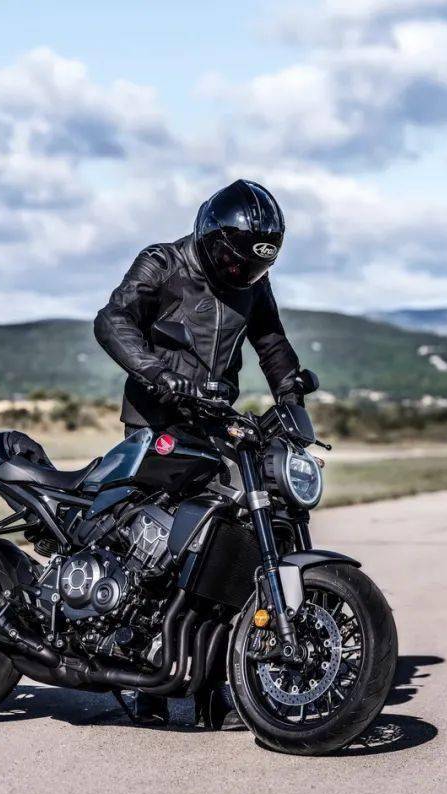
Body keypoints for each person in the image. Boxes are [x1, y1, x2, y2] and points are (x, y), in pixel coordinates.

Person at [93, 179, 305, 726]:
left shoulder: (253, 283)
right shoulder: (162, 263)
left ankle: (215, 685)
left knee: (227, 547)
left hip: (213, 424)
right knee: (151, 551)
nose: (242, 274)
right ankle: (145, 683)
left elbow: (272, 342)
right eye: (235, 263)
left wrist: (291, 395)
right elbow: (113, 320)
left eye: (254, 267)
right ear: (212, 239)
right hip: (155, 421)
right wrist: (157, 373)